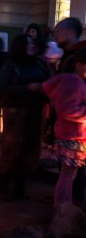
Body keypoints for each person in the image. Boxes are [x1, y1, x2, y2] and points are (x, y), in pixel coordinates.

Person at [0, 34, 51, 200]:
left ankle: (20, 187)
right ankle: (3, 187)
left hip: (35, 111)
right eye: (28, 43)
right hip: (15, 112)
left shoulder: (40, 63)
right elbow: (3, 87)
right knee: (12, 149)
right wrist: (27, 88)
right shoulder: (10, 65)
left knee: (31, 149)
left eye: (33, 43)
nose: (32, 45)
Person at [40, 49, 86, 209]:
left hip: (67, 134)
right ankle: (62, 209)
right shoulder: (75, 82)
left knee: (67, 175)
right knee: (68, 176)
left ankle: (64, 207)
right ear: (79, 65)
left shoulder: (64, 81)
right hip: (73, 136)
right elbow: (68, 110)